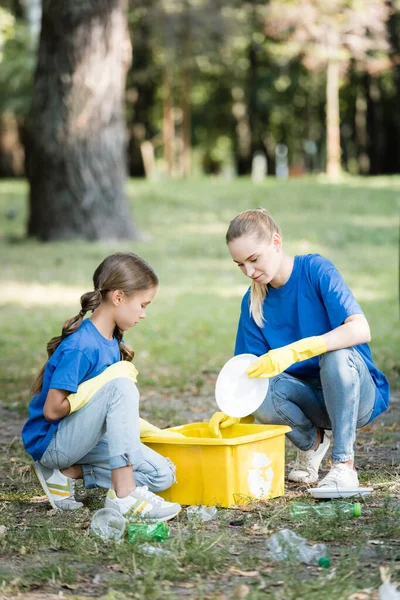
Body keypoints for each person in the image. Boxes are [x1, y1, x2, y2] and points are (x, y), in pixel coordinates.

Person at [210, 208, 390, 490]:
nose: (249, 272)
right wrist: (235, 411)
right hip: (308, 403)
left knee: (336, 355)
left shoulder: (316, 270)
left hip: (353, 396)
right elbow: (248, 372)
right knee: (261, 386)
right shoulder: (253, 302)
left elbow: (360, 329)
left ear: (276, 243)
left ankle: (344, 466)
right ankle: (312, 443)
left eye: (254, 259)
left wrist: (298, 350)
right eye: (240, 265)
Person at [22, 252, 181, 520]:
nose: (143, 314)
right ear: (118, 297)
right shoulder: (82, 346)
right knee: (121, 385)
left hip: (83, 439)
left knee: (163, 474)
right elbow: (52, 410)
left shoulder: (110, 341)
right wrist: (106, 384)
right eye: (143, 305)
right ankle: (124, 494)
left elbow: (104, 407)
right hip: (54, 443)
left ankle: (67, 473)